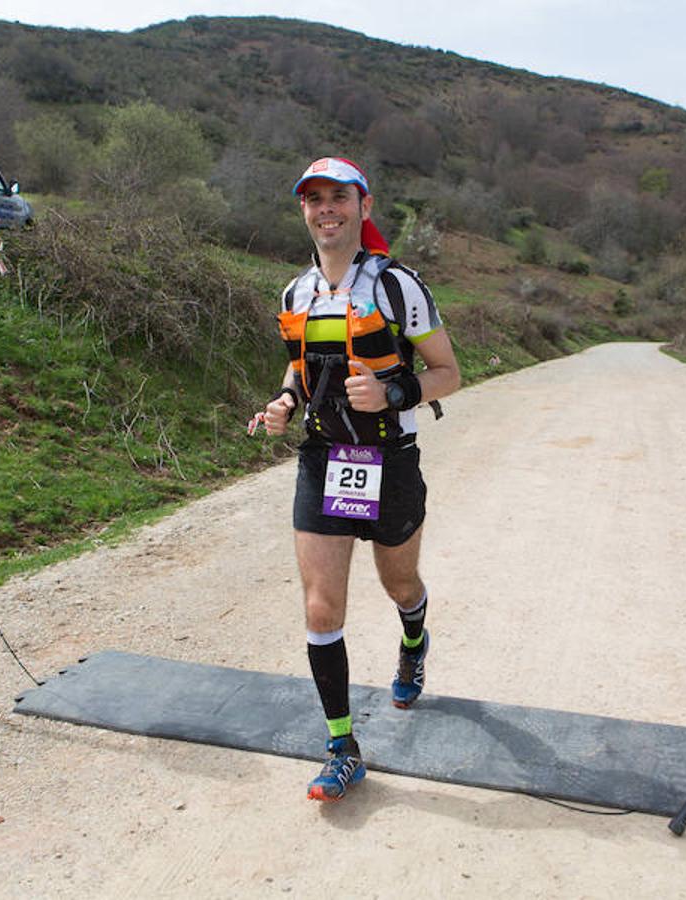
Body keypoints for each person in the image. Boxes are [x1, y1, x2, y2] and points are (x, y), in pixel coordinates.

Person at [259, 157, 460, 802]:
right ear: (304, 211)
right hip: (324, 459)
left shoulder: (399, 286)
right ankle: (342, 746)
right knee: (322, 605)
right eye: (314, 199)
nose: (326, 209)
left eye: (337, 198)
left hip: (389, 459)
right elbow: (301, 371)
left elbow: (448, 374)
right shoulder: (296, 294)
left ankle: (414, 636)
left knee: (398, 583)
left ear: (363, 207)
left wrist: (394, 389)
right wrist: (285, 404)